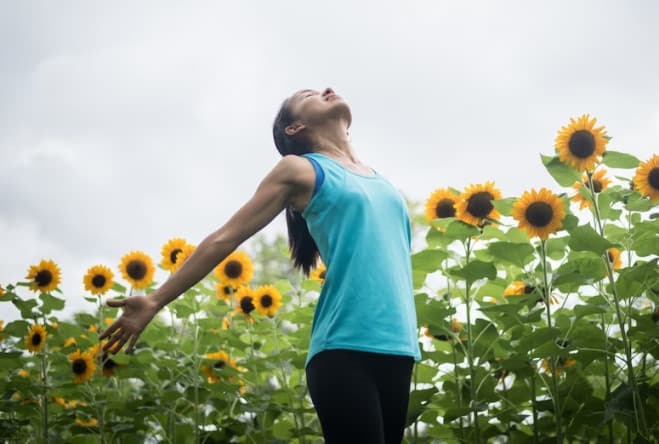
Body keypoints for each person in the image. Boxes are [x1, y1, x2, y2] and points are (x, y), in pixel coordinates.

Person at [99, 86, 423, 443]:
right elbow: (226, 237)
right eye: (309, 94)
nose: (328, 89)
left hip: (398, 347)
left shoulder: (379, 179)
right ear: (294, 129)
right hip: (344, 349)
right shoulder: (300, 170)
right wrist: (156, 299)